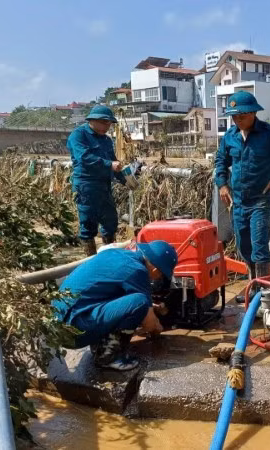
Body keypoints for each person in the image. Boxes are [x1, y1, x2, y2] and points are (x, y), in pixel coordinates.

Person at [214, 91, 270, 280]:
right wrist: (222, 184)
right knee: (244, 246)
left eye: (242, 116)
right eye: (234, 116)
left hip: (260, 201)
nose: (238, 120)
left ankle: (263, 292)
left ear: (254, 113)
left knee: (259, 246)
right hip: (238, 202)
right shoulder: (230, 137)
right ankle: (253, 284)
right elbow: (220, 160)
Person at [53, 240, 178, 370]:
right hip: (73, 334)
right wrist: (157, 328)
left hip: (58, 326)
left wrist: (149, 306)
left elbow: (104, 290)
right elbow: (150, 323)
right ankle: (108, 357)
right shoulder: (138, 270)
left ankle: (100, 346)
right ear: (156, 270)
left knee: (137, 302)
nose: (157, 278)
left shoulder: (116, 254)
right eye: (160, 275)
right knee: (139, 302)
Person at [68, 105, 127, 256]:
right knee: (88, 222)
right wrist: (109, 164)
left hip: (104, 185)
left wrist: (125, 179)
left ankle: (109, 256)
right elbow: (84, 157)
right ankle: (91, 259)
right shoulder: (78, 135)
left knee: (110, 221)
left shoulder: (106, 140)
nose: (107, 126)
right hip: (86, 185)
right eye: (104, 123)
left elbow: (113, 162)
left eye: (109, 124)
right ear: (92, 120)